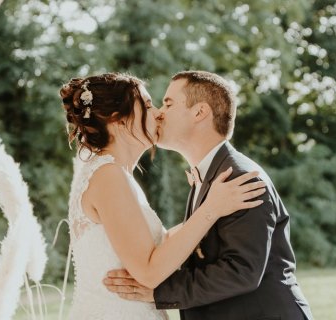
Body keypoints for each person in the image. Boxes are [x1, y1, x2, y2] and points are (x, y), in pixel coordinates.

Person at [104, 71, 314, 320]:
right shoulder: (209, 176)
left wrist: (158, 291)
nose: (159, 112)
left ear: (199, 112)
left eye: (169, 103)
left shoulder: (240, 179)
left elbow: (241, 271)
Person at [59, 73, 266, 319]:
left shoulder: (117, 175)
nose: (158, 113)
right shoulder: (108, 176)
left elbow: (159, 244)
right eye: (147, 105)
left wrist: (209, 200)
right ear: (117, 120)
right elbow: (148, 272)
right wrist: (211, 208)